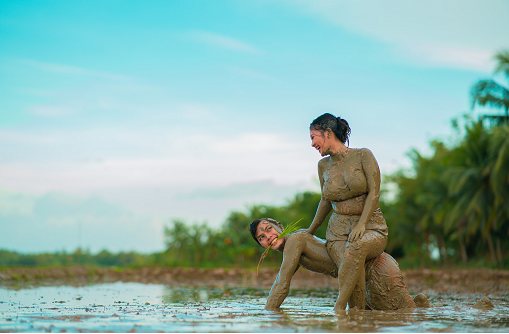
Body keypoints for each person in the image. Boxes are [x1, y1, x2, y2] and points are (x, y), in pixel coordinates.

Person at [306, 113, 390, 312]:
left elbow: (374, 193)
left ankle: (339, 309)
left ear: (327, 133)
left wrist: (362, 224)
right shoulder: (322, 166)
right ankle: (357, 314)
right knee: (348, 259)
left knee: (356, 246)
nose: (311, 144)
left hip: (371, 228)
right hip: (337, 233)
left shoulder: (363, 155)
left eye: (312, 137)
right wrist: (310, 230)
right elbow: (325, 201)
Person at [250, 218, 429, 310]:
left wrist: (267, 316)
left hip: (376, 268)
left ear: (280, 226)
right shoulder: (294, 246)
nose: (269, 237)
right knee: (384, 317)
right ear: (261, 245)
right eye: (262, 238)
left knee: (406, 315)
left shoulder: (294, 240)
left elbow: (282, 282)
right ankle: (422, 305)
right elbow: (283, 281)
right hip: (362, 277)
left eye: (269, 229)